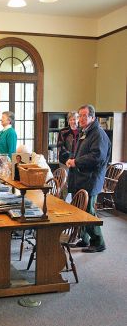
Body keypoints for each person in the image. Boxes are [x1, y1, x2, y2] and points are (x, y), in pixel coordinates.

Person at [66, 104, 111, 253]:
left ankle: (98, 242)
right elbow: (80, 152)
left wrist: (76, 162)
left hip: (91, 179)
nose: (82, 119)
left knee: (88, 211)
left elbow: (96, 157)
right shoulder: (84, 132)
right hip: (80, 177)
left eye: (85, 115)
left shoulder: (98, 134)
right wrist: (72, 159)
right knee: (81, 210)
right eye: (80, 116)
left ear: (92, 117)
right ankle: (85, 239)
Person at [57, 111, 79, 199]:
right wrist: (69, 159)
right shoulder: (63, 132)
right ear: (68, 121)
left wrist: (75, 159)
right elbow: (60, 147)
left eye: (76, 119)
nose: (74, 121)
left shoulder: (82, 131)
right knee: (64, 183)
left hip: (78, 161)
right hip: (64, 161)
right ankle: (63, 202)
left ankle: (75, 204)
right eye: (72, 119)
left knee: (76, 183)